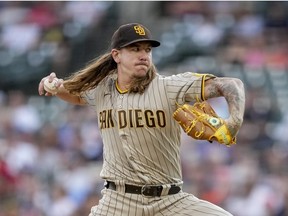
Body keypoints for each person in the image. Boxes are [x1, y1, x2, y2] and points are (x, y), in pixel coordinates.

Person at [38, 23, 245, 216]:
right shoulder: (102, 90)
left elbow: (232, 85)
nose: (143, 55)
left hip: (171, 201)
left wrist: (233, 122)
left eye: (147, 50)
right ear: (116, 55)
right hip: (118, 202)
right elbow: (74, 94)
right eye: (135, 49)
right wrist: (53, 86)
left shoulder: (168, 87)